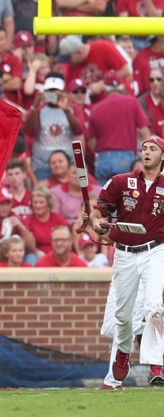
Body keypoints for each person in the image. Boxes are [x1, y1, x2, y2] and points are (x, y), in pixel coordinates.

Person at [90, 135, 164, 389]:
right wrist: (97, 222)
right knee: (122, 318)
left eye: (153, 149)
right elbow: (99, 211)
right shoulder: (122, 181)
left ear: (162, 156)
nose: (147, 152)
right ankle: (123, 351)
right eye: (144, 148)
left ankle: (156, 364)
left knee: (155, 305)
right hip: (124, 252)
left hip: (156, 251)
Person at [88, 71, 151, 185]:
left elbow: (92, 143)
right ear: (121, 86)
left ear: (105, 88)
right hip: (126, 157)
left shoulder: (96, 108)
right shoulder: (132, 102)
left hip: (103, 158)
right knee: (127, 198)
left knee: (104, 199)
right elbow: (144, 130)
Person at [25, 73, 84, 183]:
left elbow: (79, 130)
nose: (53, 95)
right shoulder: (38, 109)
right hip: (42, 165)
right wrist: (34, 107)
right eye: (50, 92)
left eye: (56, 91)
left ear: (62, 92)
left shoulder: (73, 109)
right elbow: (30, 131)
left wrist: (66, 110)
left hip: (69, 165)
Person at [21, 187, 69, 264]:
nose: (38, 205)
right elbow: (29, 247)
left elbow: (67, 240)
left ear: (48, 203)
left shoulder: (58, 219)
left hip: (58, 252)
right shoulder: (27, 220)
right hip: (36, 254)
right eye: (35, 202)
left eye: (41, 202)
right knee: (30, 258)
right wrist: (40, 254)